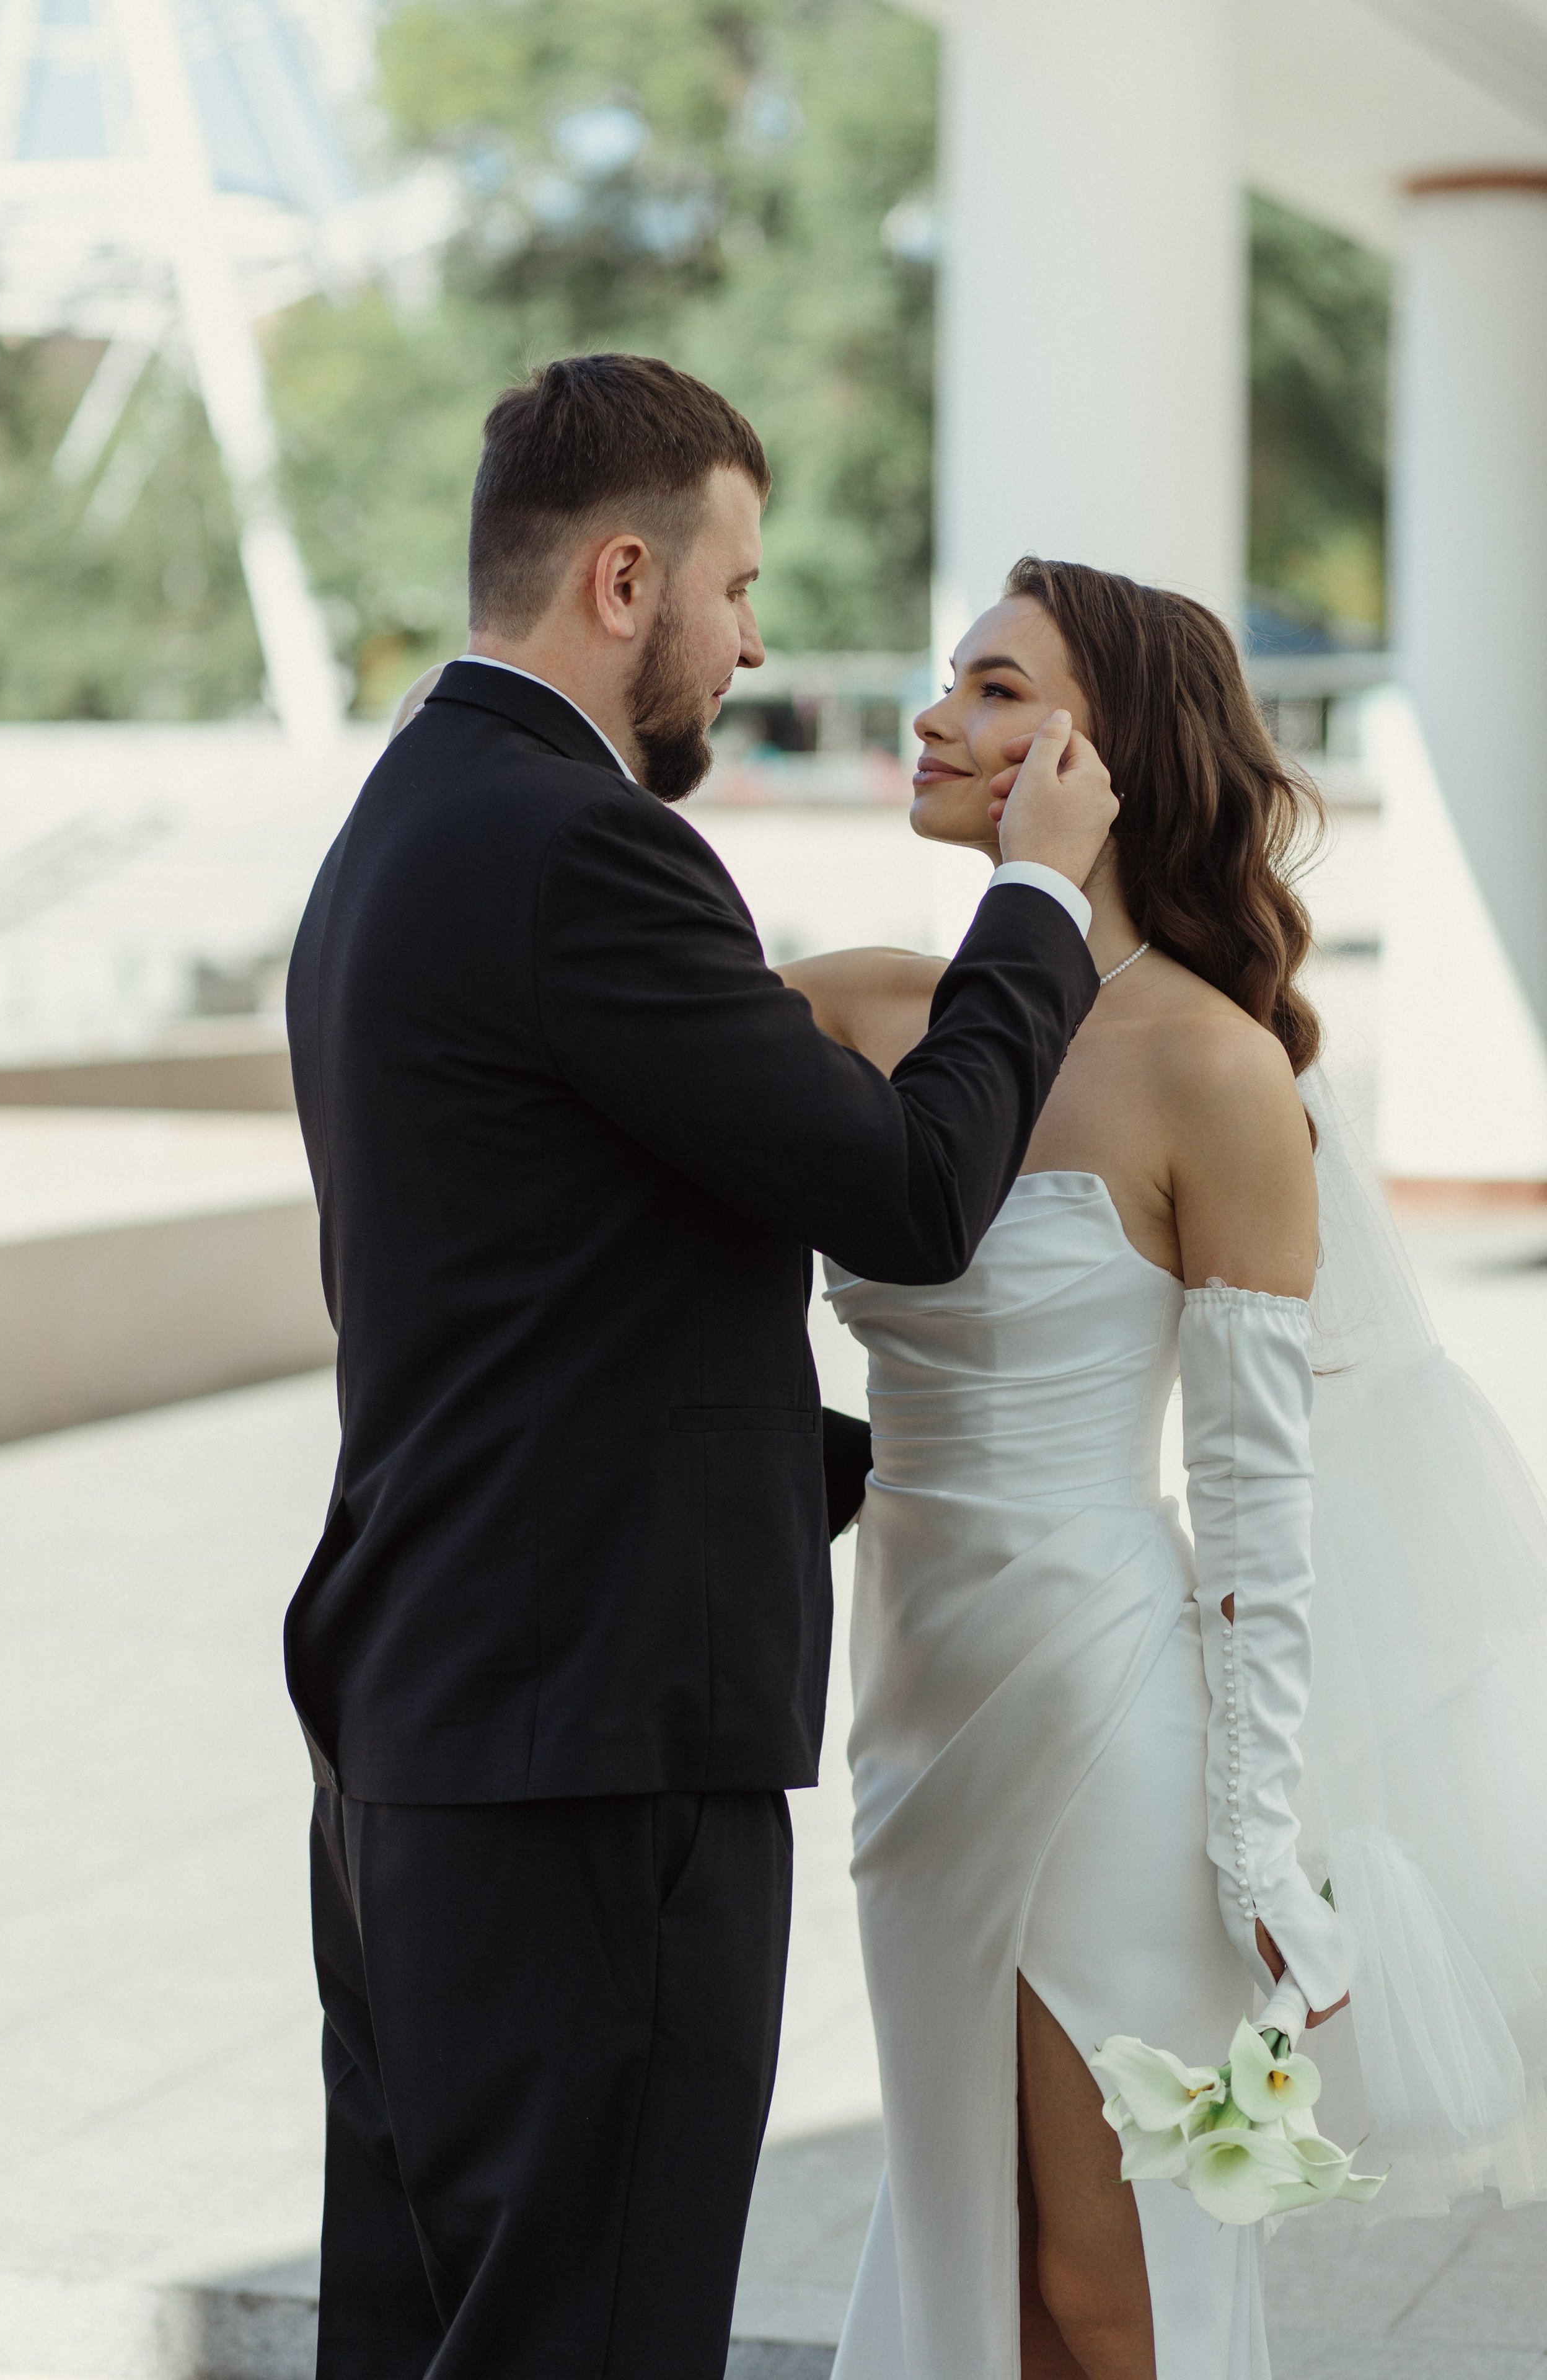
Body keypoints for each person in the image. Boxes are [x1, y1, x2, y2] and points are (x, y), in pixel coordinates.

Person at [282, 360, 1118, 2379]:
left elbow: (563, 1321)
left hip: (430, 1741)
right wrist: (1034, 909)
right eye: (740, 590)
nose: (758, 642)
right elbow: (911, 1193)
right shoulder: (585, 853)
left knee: (437, 2340)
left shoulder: (404, 823)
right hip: (592, 1762)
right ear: (629, 577)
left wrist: (920, 1473)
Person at [782, 555, 1547, 2379]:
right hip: (912, 1715)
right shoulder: (867, 1014)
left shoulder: (1213, 1068)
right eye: (945, 680)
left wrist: (1254, 1834)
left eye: (988, 686)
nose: (932, 717)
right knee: (981, 2250)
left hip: (1107, 1721)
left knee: (1102, 2285)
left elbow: (1265, 1499)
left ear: (1100, 754)